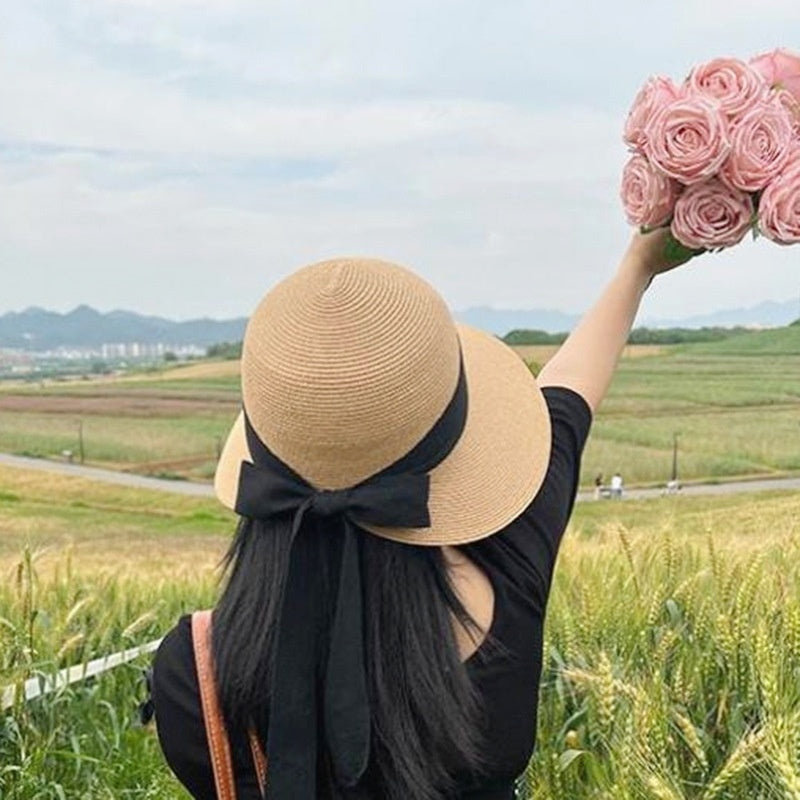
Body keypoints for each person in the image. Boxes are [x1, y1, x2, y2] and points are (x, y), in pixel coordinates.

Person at [150, 228, 690, 799]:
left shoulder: (193, 676)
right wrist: (639, 265)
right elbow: (567, 398)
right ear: (453, 442)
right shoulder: (511, 562)